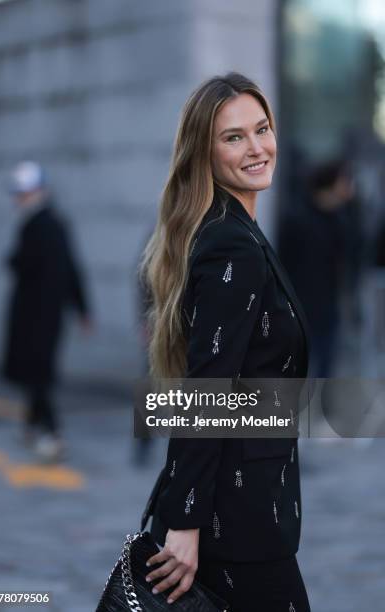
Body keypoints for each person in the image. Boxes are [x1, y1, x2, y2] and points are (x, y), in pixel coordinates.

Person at [139, 74, 311, 611]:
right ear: (204, 153)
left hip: (249, 505)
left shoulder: (234, 229)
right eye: (233, 137)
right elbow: (207, 388)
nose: (257, 148)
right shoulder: (232, 244)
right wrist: (185, 523)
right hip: (236, 519)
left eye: (262, 129)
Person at [1, 161, 92, 461]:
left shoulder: (36, 225)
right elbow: (72, 268)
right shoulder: (52, 222)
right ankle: (31, 425)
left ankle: (52, 432)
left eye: (24, 193)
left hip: (35, 316)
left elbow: (24, 264)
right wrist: (82, 308)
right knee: (35, 371)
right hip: (46, 315)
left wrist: (82, 308)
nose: (21, 199)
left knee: (38, 373)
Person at [279, 160, 356, 377]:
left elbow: (347, 262)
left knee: (326, 363)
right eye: (344, 182)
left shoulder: (340, 221)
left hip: (328, 306)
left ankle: (321, 409)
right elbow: (284, 263)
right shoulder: (296, 218)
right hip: (299, 306)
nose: (348, 188)